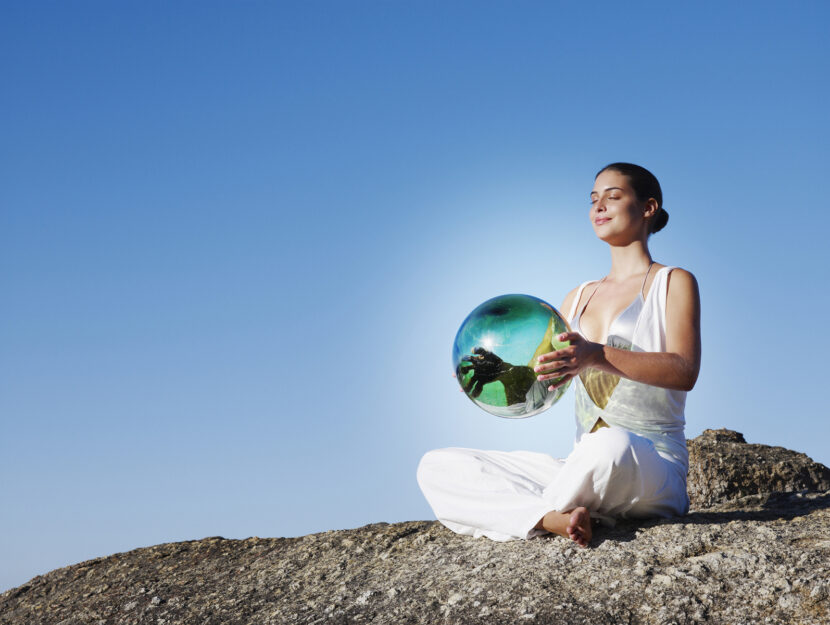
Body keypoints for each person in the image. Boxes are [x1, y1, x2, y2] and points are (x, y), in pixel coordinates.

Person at [417, 163, 701, 547]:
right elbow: (546, 381)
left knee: (610, 446)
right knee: (437, 465)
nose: (599, 206)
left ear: (649, 207)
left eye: (613, 196)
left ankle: (533, 510)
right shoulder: (577, 297)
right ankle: (556, 517)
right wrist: (496, 375)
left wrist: (595, 355)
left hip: (647, 465)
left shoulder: (674, 282)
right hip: (581, 464)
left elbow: (684, 371)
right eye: (593, 199)